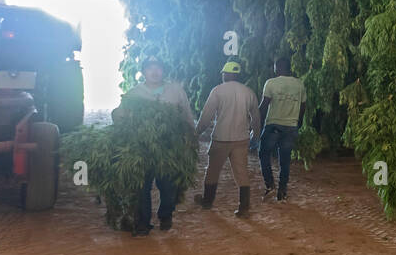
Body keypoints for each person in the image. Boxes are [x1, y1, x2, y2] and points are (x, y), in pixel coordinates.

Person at [113, 55, 195, 236]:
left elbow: (186, 115)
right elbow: (120, 115)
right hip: (142, 149)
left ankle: (166, 215)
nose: (155, 71)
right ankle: (143, 222)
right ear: (143, 72)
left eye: (158, 67)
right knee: (142, 186)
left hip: (169, 147)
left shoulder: (176, 91)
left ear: (163, 71)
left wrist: (191, 137)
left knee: (168, 186)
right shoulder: (134, 94)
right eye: (150, 68)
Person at [193, 60, 261, 218]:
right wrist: (255, 135)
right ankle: (244, 207)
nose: (223, 75)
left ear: (227, 74)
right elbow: (256, 117)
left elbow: (206, 116)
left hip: (221, 139)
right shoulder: (248, 92)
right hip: (241, 138)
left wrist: (197, 132)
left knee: (213, 170)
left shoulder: (217, 91)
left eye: (223, 73)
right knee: (241, 172)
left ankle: (207, 201)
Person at [258, 56, 306, 202]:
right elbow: (303, 106)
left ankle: (270, 184)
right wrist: (299, 122)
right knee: (285, 160)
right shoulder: (300, 84)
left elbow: (264, 105)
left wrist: (257, 124)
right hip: (291, 126)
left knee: (263, 153)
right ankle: (282, 192)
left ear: (277, 67)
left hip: (273, 125)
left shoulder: (271, 83)